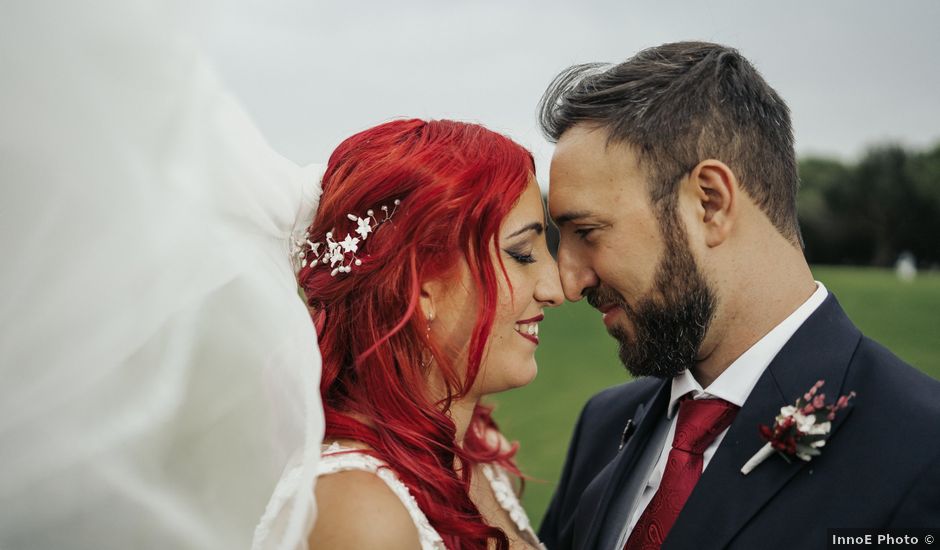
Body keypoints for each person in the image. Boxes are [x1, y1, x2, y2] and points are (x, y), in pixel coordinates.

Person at [536, 41, 940, 549]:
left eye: (589, 232)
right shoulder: (605, 425)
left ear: (709, 203)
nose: (568, 283)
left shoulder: (923, 450)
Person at [300, 119, 564, 549]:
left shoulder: (473, 450)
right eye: (522, 254)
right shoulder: (360, 512)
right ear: (420, 289)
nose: (556, 288)